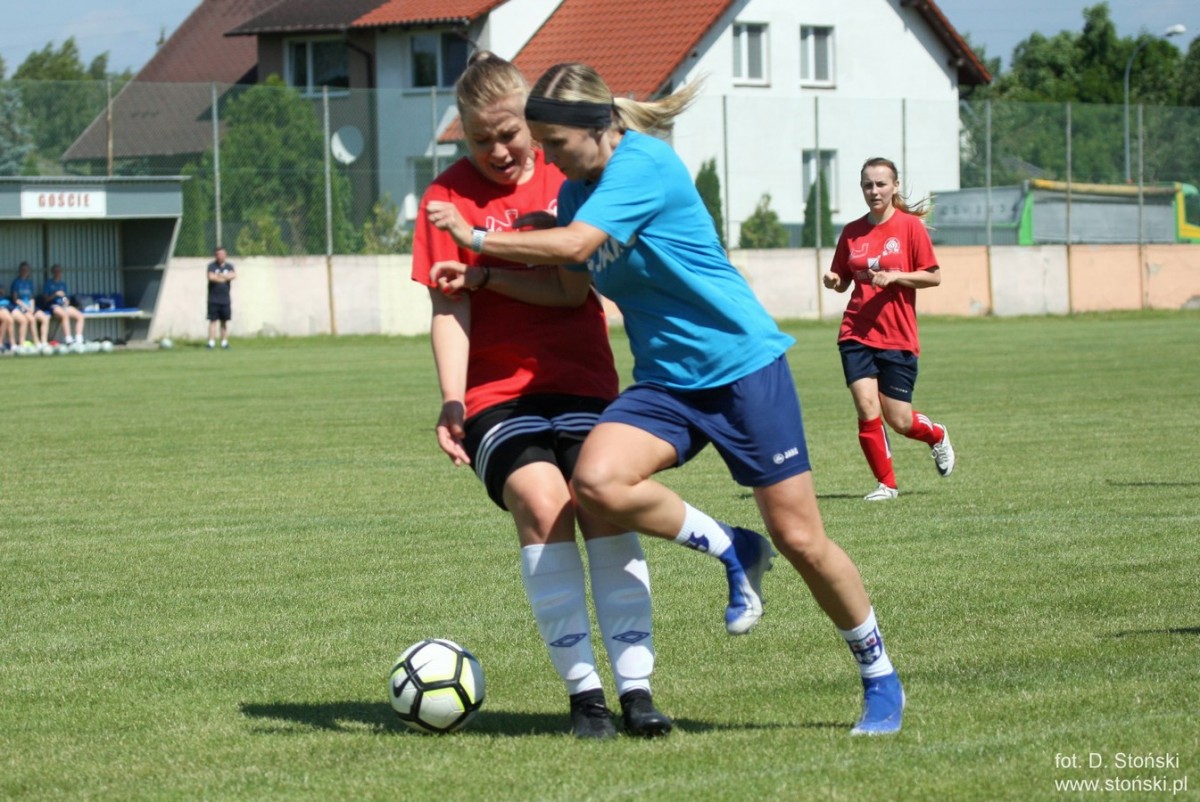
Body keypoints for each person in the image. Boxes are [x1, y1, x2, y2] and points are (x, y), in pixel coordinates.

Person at [427, 62, 905, 735]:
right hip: (665, 382)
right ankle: (734, 547)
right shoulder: (577, 193)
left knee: (801, 538)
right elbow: (569, 285)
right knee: (596, 482)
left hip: (741, 368)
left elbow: (577, 245)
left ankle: (879, 675)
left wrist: (476, 236)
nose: (549, 160)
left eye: (556, 144)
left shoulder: (643, 165)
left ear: (598, 126)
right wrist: (484, 276)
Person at [412, 51, 673, 740]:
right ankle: (586, 697)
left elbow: (570, 290)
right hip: (497, 395)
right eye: (481, 140)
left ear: (533, 124)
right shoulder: (445, 198)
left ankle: (637, 689)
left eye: (509, 134)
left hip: (583, 380)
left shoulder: (571, 177)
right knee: (542, 500)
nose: (498, 151)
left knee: (602, 500)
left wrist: (485, 271)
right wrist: (452, 399)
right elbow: (448, 308)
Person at [823, 157, 956, 502]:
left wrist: (897, 276)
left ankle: (936, 435)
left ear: (894, 186)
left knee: (900, 420)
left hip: (897, 335)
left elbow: (933, 276)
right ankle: (887, 485)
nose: (874, 191)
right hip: (856, 331)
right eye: (868, 185)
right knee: (867, 407)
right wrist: (834, 279)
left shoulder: (910, 228)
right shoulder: (852, 231)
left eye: (881, 184)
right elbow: (843, 279)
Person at [41, 264, 86, 345]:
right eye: (56, 271)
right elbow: (45, 299)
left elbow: (64, 297)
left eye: (59, 271)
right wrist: (55, 294)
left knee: (80, 316)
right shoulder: (48, 284)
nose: (58, 273)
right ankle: (68, 339)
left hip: (63, 305)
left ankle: (78, 339)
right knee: (64, 315)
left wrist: (66, 301)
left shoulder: (62, 284)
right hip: (53, 305)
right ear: (53, 272)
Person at [11, 262, 50, 349]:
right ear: (20, 270)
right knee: (31, 319)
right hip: (21, 307)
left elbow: (31, 297)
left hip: (30, 306)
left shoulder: (30, 282)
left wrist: (31, 307)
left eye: (26, 269)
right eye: (23, 269)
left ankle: (44, 342)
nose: (25, 271)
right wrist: (26, 307)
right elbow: (15, 299)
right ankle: (36, 342)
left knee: (45, 318)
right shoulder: (16, 282)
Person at [206, 247, 235, 349]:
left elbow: (233, 275)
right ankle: (211, 342)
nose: (221, 256)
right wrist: (224, 277)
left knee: (224, 321)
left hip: (225, 300)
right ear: (216, 255)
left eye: (223, 254)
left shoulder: (229, 266)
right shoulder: (211, 266)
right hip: (213, 299)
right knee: (213, 321)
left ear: (225, 255)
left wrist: (219, 275)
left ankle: (224, 342)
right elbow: (211, 277)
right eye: (219, 254)